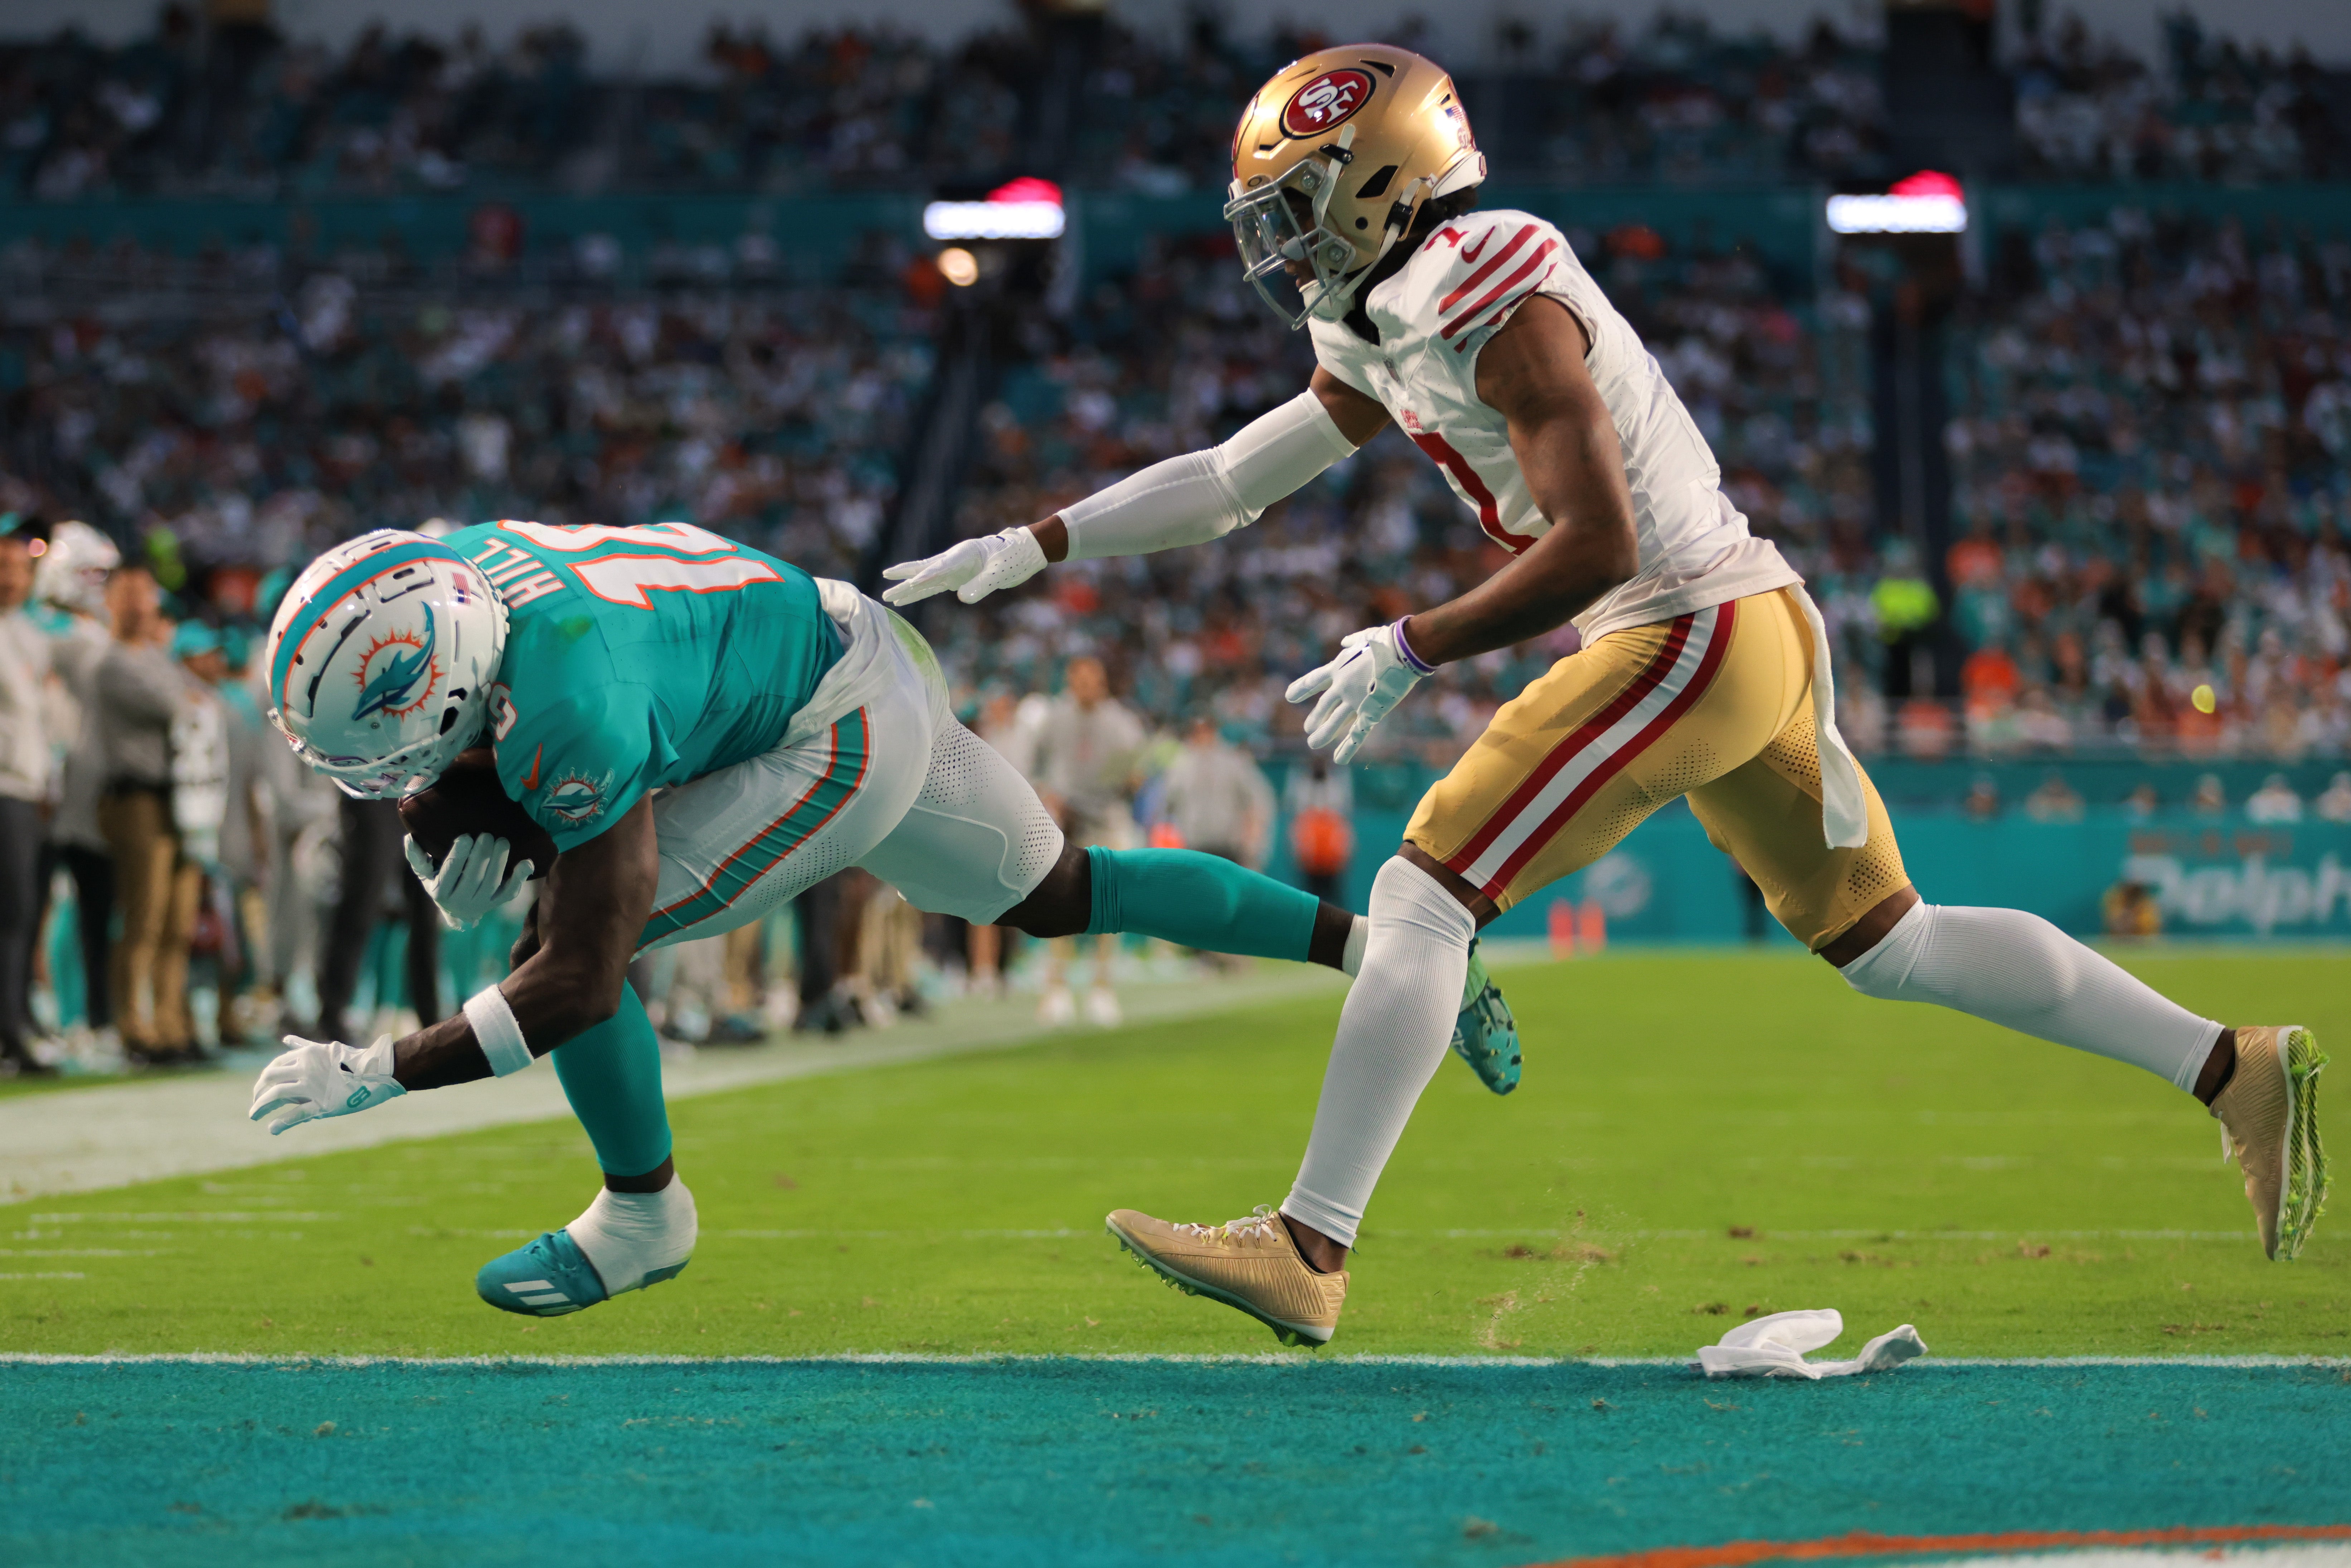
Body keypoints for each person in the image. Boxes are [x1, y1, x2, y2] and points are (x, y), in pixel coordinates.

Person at [886, 44, 2325, 1346]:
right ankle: (2226, 1065)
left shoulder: (1483, 279)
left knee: (1424, 887)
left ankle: (1308, 1246)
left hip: (1680, 622)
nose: (1273, 235)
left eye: (1295, 198)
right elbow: (1226, 481)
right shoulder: (1392, 304)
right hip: (1737, 622)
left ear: (1379, 178)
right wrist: (1035, 541)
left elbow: (1597, 544)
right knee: (1896, 944)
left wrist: (1412, 643)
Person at [245, 523, 1496, 1320]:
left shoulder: (570, 695)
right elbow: (485, 756)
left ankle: (642, 1216)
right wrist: (466, 818)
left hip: (829, 722)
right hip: (846, 639)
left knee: (566, 952)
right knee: (1065, 893)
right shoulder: (456, 578)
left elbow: (573, 979)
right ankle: (1377, 950)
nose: (402, 776)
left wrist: (381, 1071)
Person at [94, 562, 203, 1064]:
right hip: (135, 796)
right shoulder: (111, 661)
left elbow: (194, 703)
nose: (140, 605)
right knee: (144, 916)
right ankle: (133, 1025)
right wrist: (190, 698)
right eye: (129, 595)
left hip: (179, 797)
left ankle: (171, 1024)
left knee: (177, 920)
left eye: (146, 595)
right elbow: (181, 706)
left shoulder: (155, 657)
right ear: (110, 602)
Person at [30, 520, 122, 1058]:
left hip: (91, 786)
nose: (101, 583)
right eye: (92, 572)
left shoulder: (89, 629)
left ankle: (90, 1014)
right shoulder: (46, 628)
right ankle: (66, 1016)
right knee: (55, 902)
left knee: (92, 906)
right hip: (52, 782)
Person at [1027, 656, 1146, 1026]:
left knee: (1107, 903)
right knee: (1058, 903)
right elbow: (1035, 764)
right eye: (1079, 681)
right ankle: (1056, 988)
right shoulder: (1055, 718)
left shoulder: (1121, 721)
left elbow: (1137, 771)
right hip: (1064, 819)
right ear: (1070, 682)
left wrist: (1130, 779)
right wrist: (1047, 793)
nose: (1086, 687)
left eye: (1092, 681)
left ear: (1103, 683)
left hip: (1106, 815)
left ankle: (1101, 987)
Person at [0, 513, 55, 1075]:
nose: (12, 576)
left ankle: (15, 1022)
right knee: (13, 913)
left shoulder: (26, 634)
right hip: (3, 789)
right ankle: (12, 1028)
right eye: (2, 565)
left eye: (19, 566)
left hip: (23, 790)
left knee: (20, 913)